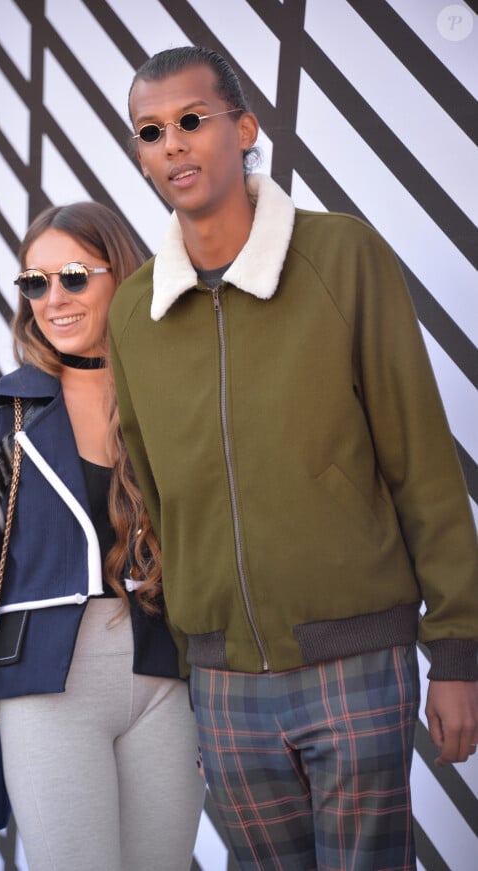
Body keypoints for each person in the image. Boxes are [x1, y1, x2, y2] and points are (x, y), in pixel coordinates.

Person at [108, 46, 478, 870]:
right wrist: (191, 648)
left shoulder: (343, 256)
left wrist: (456, 653)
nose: (173, 144)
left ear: (245, 128)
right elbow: (159, 499)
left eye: (192, 121)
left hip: (356, 658)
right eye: (150, 131)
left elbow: (423, 466)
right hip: (224, 678)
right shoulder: (136, 311)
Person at [0, 201, 205, 870]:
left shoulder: (180, 398)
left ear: (123, 277)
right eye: (35, 283)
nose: (53, 298)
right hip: (47, 690)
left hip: (169, 681)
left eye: (74, 276)